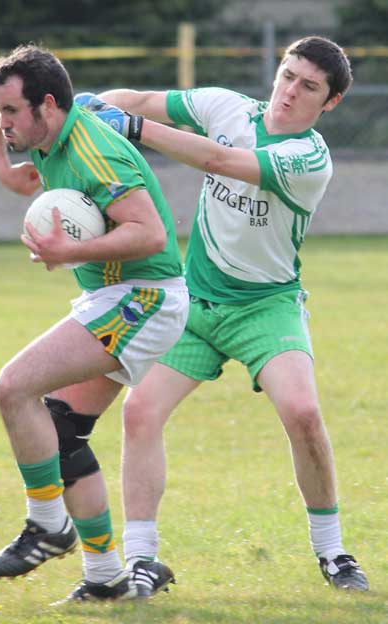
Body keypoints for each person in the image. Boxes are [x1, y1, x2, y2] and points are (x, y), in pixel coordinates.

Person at [90, 34, 369, 591]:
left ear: (329, 102)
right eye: (288, 75)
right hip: (193, 303)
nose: (290, 91)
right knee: (139, 412)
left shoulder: (309, 158)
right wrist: (91, 103)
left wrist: (135, 129)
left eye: (308, 86)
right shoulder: (227, 107)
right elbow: (139, 100)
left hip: (266, 307)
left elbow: (220, 160)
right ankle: (142, 560)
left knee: (304, 414)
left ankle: (333, 553)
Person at [0, 43, 189, 602]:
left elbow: (151, 233)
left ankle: (48, 524)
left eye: (12, 113)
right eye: (1, 114)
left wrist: (67, 253)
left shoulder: (93, 150)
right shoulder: (44, 129)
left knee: (14, 387)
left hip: (144, 297)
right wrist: (1, 163)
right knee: (61, 431)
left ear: (47, 105)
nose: (4, 122)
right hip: (116, 296)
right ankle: (106, 579)